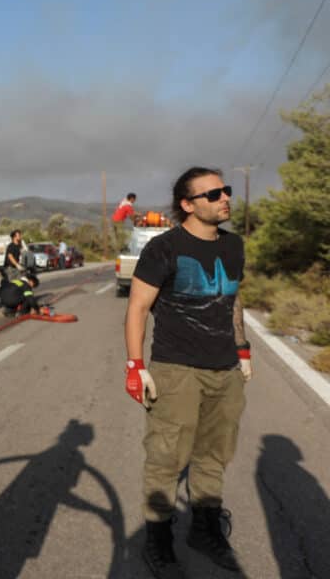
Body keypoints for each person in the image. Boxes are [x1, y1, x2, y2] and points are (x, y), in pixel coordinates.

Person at [124, 168, 249, 578]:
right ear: (188, 204)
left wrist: (242, 349)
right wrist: (135, 365)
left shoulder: (234, 246)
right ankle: (158, 543)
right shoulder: (165, 248)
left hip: (225, 370)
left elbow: (232, 298)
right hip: (176, 369)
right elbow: (138, 308)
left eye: (225, 191)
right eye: (213, 193)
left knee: (214, 456)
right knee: (166, 457)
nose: (224, 198)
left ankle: (205, 530)